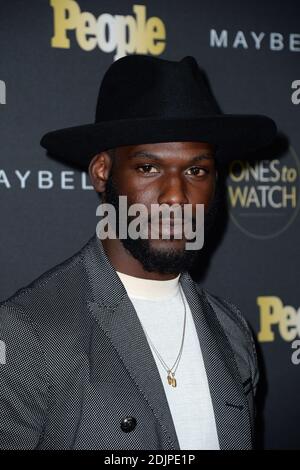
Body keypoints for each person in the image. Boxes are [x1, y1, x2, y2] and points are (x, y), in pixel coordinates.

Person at [0, 55, 277, 450]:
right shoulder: (26, 332)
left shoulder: (231, 332)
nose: (176, 197)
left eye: (196, 171)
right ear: (102, 172)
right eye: (149, 168)